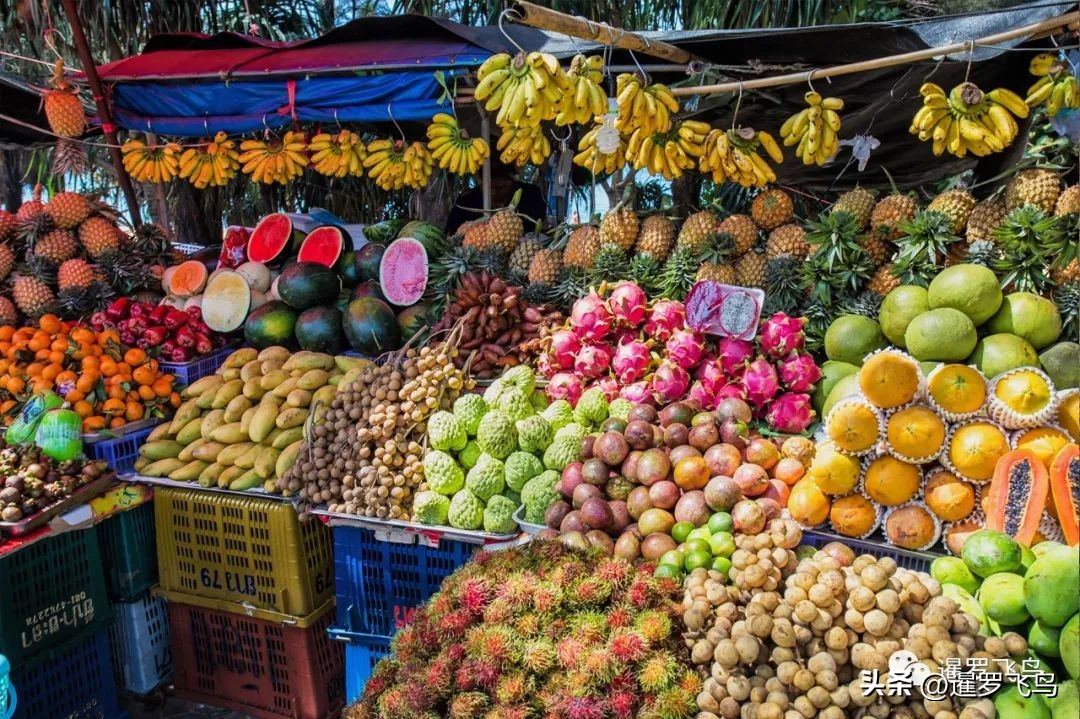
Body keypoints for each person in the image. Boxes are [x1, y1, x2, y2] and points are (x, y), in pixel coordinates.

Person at [445, 162, 548, 235]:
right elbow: (450, 233)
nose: (494, 193)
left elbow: (543, 224)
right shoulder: (465, 202)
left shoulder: (531, 195)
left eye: (500, 188)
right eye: (489, 188)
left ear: (512, 182)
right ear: (480, 182)